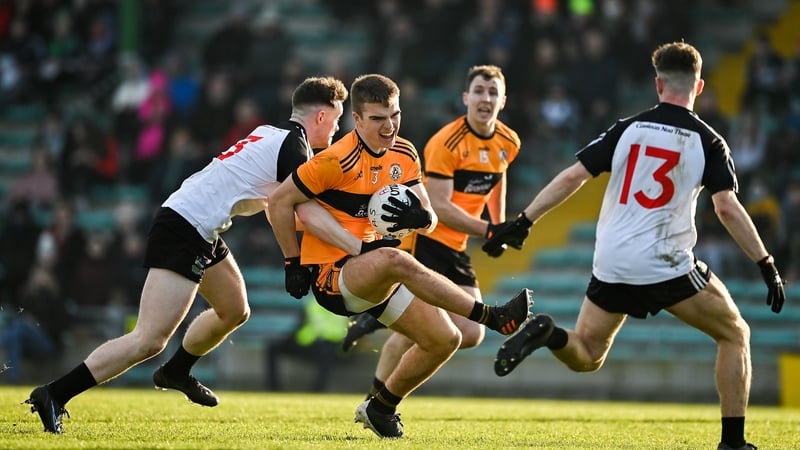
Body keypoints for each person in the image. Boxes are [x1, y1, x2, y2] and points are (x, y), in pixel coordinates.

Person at [483, 41, 786, 450]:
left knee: (587, 353)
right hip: (667, 263)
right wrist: (765, 263)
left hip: (613, 261)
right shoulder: (709, 141)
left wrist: (523, 221)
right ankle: (733, 443)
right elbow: (727, 208)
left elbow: (573, 177)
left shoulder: (627, 128)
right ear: (698, 89)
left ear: (658, 84)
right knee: (735, 334)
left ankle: (550, 334)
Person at [24, 76, 350, 434]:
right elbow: (301, 211)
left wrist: (293, 258)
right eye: (336, 120)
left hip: (198, 224)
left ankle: (177, 370)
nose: (336, 129)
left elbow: (278, 206)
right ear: (321, 116)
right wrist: (311, 255)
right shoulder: (295, 147)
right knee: (149, 339)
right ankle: (54, 393)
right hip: (187, 225)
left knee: (235, 309)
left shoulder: (271, 133)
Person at [267, 73, 533, 439]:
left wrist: (420, 218)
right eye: (377, 118)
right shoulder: (334, 160)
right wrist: (291, 262)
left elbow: (430, 217)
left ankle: (381, 407)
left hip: (373, 271)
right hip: (334, 278)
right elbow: (279, 202)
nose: (389, 125)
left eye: (394, 115)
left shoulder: (405, 153)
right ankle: (492, 315)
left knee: (446, 339)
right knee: (396, 259)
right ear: (357, 120)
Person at [342, 65, 523, 401]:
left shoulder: (508, 141)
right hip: (425, 240)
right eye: (480, 91)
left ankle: (382, 333)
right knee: (440, 330)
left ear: (503, 100)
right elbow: (438, 208)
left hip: (456, 246)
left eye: (493, 92)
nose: (486, 98)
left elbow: (497, 179)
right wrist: (490, 229)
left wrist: (497, 226)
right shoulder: (446, 141)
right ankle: (378, 400)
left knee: (469, 334)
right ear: (466, 97)